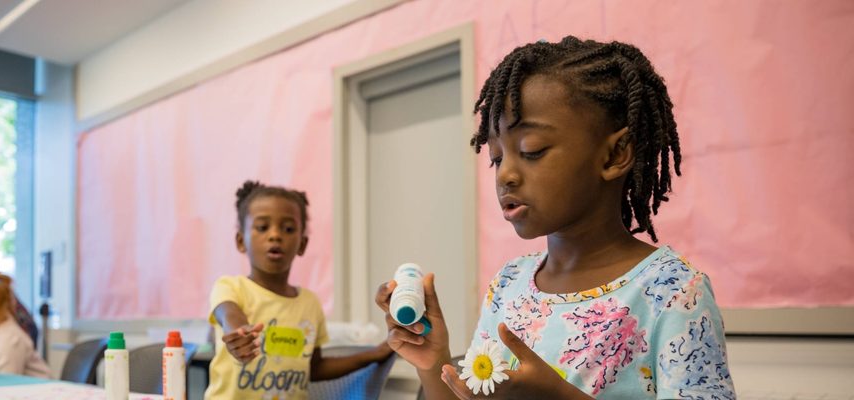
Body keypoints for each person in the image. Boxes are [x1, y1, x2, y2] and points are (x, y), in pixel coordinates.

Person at [375, 37, 736, 399]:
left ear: (615, 154)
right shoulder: (509, 284)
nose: (505, 175)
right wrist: (431, 360)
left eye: (531, 150)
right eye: (497, 157)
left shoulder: (673, 293)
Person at [206, 181, 393, 399]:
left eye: (288, 229)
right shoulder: (230, 287)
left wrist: (374, 354)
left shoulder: (310, 303)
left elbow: (314, 368)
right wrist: (239, 332)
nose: (275, 235)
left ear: (302, 244)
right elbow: (228, 314)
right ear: (241, 241)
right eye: (262, 227)